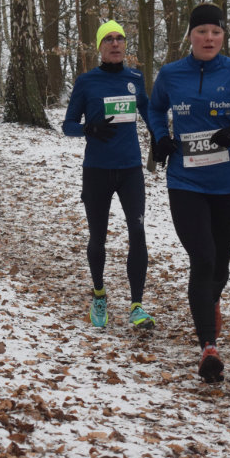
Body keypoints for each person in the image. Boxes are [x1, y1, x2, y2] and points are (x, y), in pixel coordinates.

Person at [148, 3, 230, 383]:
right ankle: (208, 347)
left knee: (220, 265)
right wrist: (160, 138)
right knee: (203, 257)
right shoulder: (171, 74)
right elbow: (155, 110)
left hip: (228, 184)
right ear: (190, 35)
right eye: (202, 31)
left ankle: (210, 301)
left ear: (223, 36)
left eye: (216, 32)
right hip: (185, 182)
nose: (209, 38)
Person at [62, 20, 155, 330]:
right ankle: (99, 295)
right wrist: (88, 128)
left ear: (125, 45)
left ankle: (137, 306)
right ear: (99, 47)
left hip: (130, 169)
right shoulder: (86, 82)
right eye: (108, 39)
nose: (115, 43)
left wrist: (162, 139)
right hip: (97, 170)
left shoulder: (135, 78)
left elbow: (149, 112)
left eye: (120, 38)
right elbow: (68, 125)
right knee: (98, 237)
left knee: (137, 233)